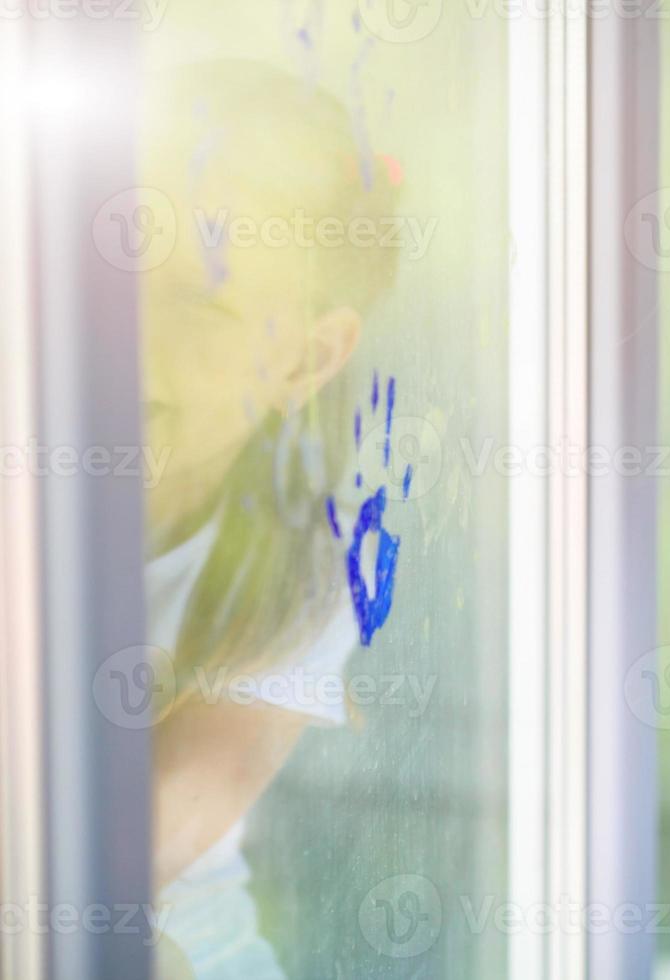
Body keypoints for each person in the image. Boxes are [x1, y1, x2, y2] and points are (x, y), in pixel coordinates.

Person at [135, 58, 404, 978]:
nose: (125, 329)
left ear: (306, 360)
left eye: (197, 302)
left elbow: (111, 864)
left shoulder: (310, 565)